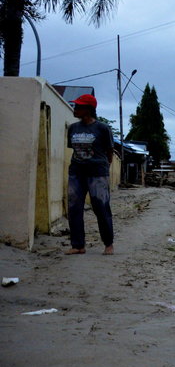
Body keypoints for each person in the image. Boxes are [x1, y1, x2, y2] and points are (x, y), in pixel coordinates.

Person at [66, 94, 115, 255]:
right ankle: (78, 245)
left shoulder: (102, 128)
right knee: (74, 207)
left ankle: (108, 244)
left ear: (89, 110)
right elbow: (74, 150)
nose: (75, 109)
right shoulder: (73, 128)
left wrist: (102, 168)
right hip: (76, 172)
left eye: (78, 106)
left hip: (97, 173)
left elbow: (109, 152)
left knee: (101, 207)